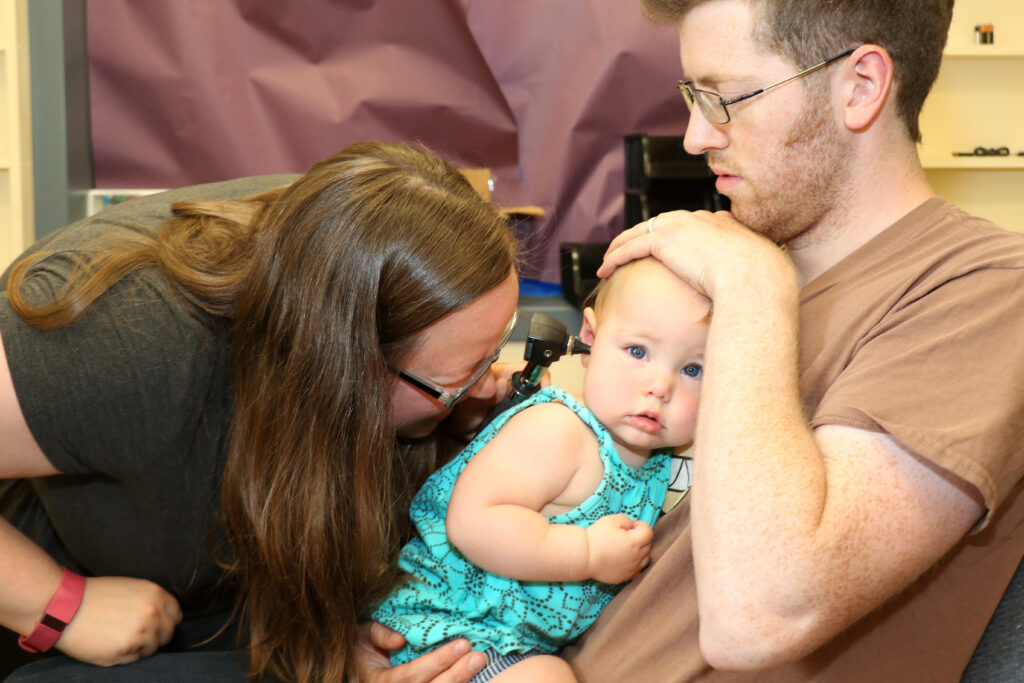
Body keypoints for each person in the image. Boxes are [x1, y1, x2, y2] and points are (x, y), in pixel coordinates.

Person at [555, 0, 1024, 680]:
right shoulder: (717, 271)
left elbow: (762, 615)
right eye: (693, 96)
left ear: (861, 87)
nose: (694, 136)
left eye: (724, 97)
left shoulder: (987, 289)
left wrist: (750, 283)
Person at [0, 140, 523, 682]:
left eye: (495, 350)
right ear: (347, 368)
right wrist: (58, 605)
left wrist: (338, 634)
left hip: (229, 599)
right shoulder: (117, 338)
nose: (487, 386)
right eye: (459, 378)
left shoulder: (363, 260)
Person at [369, 257, 709, 682]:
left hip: (509, 639)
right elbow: (473, 523)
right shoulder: (559, 429)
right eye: (637, 351)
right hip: (449, 628)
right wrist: (586, 553)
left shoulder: (664, 457)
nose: (660, 386)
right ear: (590, 338)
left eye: (693, 369)